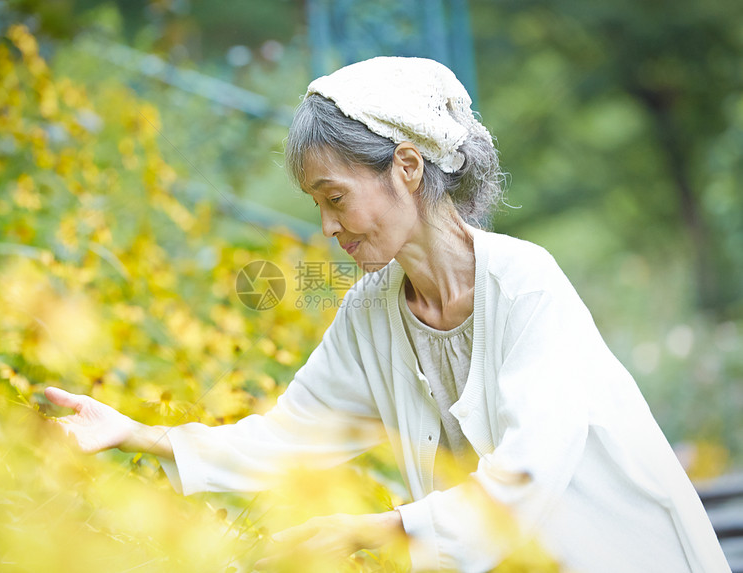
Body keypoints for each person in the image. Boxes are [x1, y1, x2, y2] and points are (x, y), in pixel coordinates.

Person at [44, 57, 730, 573]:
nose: (326, 228)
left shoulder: (526, 285)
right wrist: (136, 434)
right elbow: (289, 438)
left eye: (334, 197)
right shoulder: (370, 312)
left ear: (406, 166)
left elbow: (524, 479)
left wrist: (368, 529)